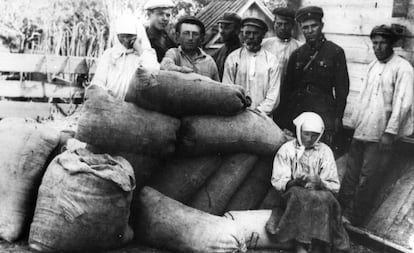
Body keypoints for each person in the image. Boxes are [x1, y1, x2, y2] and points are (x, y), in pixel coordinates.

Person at [338, 25, 414, 226]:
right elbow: (363, 98)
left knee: (368, 178)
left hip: (381, 134)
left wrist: (390, 132)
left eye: (382, 43)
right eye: (375, 43)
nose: (378, 47)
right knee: (351, 174)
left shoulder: (403, 69)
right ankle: (338, 211)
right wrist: (355, 124)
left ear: (392, 44)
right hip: (362, 129)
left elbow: (403, 103)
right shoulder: (373, 66)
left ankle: (353, 217)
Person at [266, 112, 350, 253]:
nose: (310, 139)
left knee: (327, 198)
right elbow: (278, 180)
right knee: (302, 196)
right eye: (306, 134)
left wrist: (320, 182)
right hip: (292, 192)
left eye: (314, 135)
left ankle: (319, 243)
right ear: (299, 131)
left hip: (319, 192)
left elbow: (334, 185)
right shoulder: (287, 150)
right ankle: (301, 244)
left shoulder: (324, 151)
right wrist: (295, 181)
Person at [281, 6, 349, 147]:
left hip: (324, 111)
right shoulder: (297, 54)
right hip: (300, 110)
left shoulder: (335, 52)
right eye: (305, 27)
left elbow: (342, 89)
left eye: (314, 26)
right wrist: (286, 119)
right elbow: (288, 88)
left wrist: (338, 117)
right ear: (301, 28)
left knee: (320, 150)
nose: (310, 31)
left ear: (321, 26)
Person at [90, 15, 159, 100]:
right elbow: (98, 80)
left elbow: (152, 75)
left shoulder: (147, 55)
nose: (125, 40)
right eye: (121, 36)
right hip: (108, 102)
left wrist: (140, 50)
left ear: (138, 35)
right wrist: (104, 93)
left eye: (129, 36)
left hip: (134, 104)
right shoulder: (110, 54)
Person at [222, 17, 281, 116]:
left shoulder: (271, 60)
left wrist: (258, 112)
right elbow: (227, 88)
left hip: (263, 117)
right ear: (242, 34)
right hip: (237, 115)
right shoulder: (233, 58)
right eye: (247, 33)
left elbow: (273, 95)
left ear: (262, 35)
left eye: (255, 33)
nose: (251, 37)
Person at [262, 7, 301, 122]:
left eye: (287, 24)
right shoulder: (264, 45)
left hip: (288, 99)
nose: (283, 28)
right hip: (266, 96)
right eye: (279, 24)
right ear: (274, 24)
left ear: (293, 25)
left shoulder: (299, 47)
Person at [160, 16, 220, 81]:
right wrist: (182, 70)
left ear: (201, 38)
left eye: (195, 34)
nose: (190, 38)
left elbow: (218, 87)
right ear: (177, 37)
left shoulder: (209, 61)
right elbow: (164, 66)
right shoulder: (174, 53)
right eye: (186, 33)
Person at [212, 12, 242, 81]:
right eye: (221, 27)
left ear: (237, 30)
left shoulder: (243, 53)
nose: (222, 31)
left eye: (227, 28)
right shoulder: (219, 52)